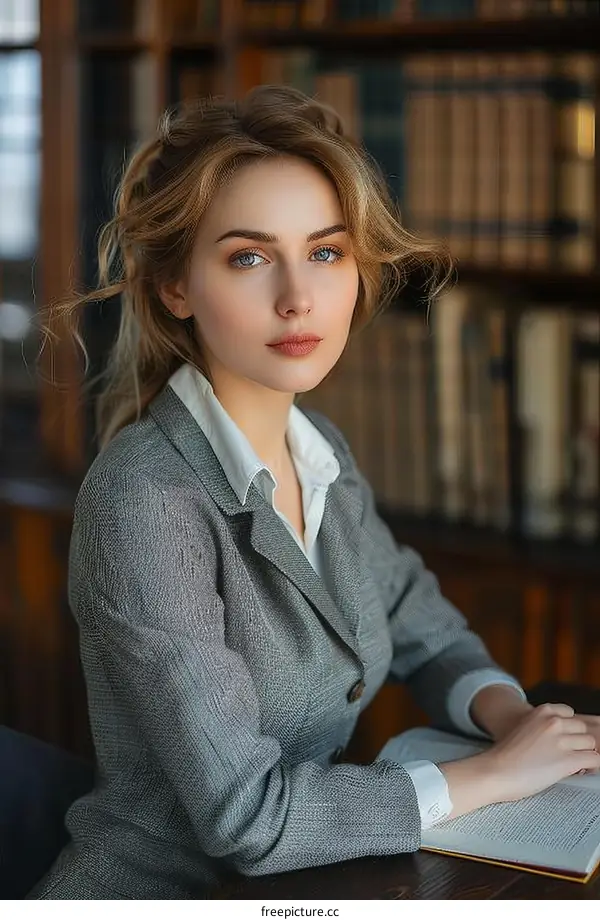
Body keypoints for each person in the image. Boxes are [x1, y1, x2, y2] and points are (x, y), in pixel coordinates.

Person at [28, 85, 600, 900]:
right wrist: (496, 775)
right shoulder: (143, 502)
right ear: (174, 287)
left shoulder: (318, 450)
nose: (298, 297)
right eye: (249, 257)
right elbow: (250, 818)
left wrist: (517, 720)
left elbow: (425, 625)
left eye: (326, 252)